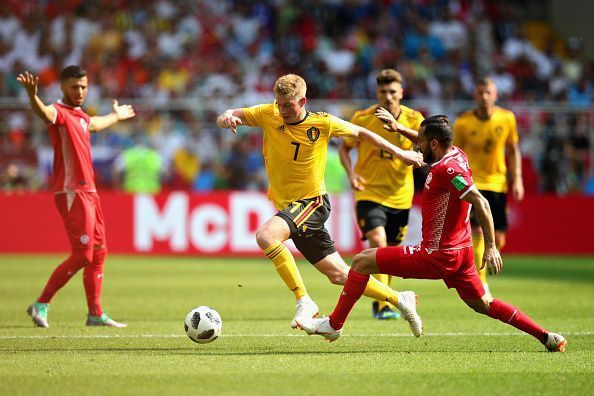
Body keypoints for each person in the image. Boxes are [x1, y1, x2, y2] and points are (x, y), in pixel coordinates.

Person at [296, 115, 566, 353]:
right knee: (484, 303)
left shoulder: (447, 170)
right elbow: (430, 147)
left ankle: (334, 324)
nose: (417, 145)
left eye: (421, 141)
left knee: (361, 261)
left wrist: (492, 246)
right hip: (461, 253)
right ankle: (545, 336)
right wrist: (400, 128)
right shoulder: (455, 153)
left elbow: (481, 202)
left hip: (438, 254)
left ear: (434, 144)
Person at [216, 74, 425, 332]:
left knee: (267, 236)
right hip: (292, 207)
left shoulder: (322, 123)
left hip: (313, 203)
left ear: (303, 101)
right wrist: (226, 118)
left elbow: (361, 132)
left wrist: (401, 152)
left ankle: (304, 301)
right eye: (279, 104)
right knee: (338, 274)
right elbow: (229, 113)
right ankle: (398, 298)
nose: (282, 110)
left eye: (288, 105)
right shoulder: (268, 114)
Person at [17, 66, 135, 328]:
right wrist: (32, 96)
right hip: (72, 192)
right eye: (74, 87)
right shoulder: (58, 113)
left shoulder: (80, 116)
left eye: (83, 86)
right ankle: (41, 303)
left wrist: (115, 116)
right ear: (62, 87)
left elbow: (96, 123)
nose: (79, 91)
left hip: (90, 192)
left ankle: (95, 313)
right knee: (83, 254)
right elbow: (43, 112)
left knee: (100, 252)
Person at [339, 69, 424, 320]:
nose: (388, 96)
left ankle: (386, 299)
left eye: (393, 91)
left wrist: (404, 137)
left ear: (401, 93)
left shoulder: (414, 117)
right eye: (383, 91)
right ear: (376, 92)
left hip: (401, 195)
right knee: (378, 241)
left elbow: (425, 145)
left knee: (390, 254)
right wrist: (351, 173)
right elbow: (344, 149)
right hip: (369, 193)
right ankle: (383, 304)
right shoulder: (362, 118)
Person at [453, 77, 524, 297]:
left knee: (498, 238)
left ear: (496, 95)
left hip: (498, 184)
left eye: (488, 92)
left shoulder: (507, 118)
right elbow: (455, 155)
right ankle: (480, 283)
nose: (484, 97)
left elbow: (513, 149)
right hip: (473, 184)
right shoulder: (463, 122)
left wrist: (518, 178)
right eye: (480, 92)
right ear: (474, 95)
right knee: (477, 230)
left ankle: (475, 266)